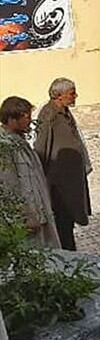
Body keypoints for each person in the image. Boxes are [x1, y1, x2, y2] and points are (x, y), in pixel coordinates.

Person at [34, 78, 91, 251]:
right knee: (62, 224)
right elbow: (41, 150)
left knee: (68, 222)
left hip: (71, 182)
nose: (75, 96)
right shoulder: (49, 116)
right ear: (59, 96)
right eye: (72, 93)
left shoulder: (63, 112)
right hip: (59, 185)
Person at [0, 96, 60, 248]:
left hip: (38, 210)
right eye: (25, 117)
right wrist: (25, 217)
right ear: (12, 119)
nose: (29, 121)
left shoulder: (18, 140)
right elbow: (9, 186)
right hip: (26, 218)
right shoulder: (6, 148)